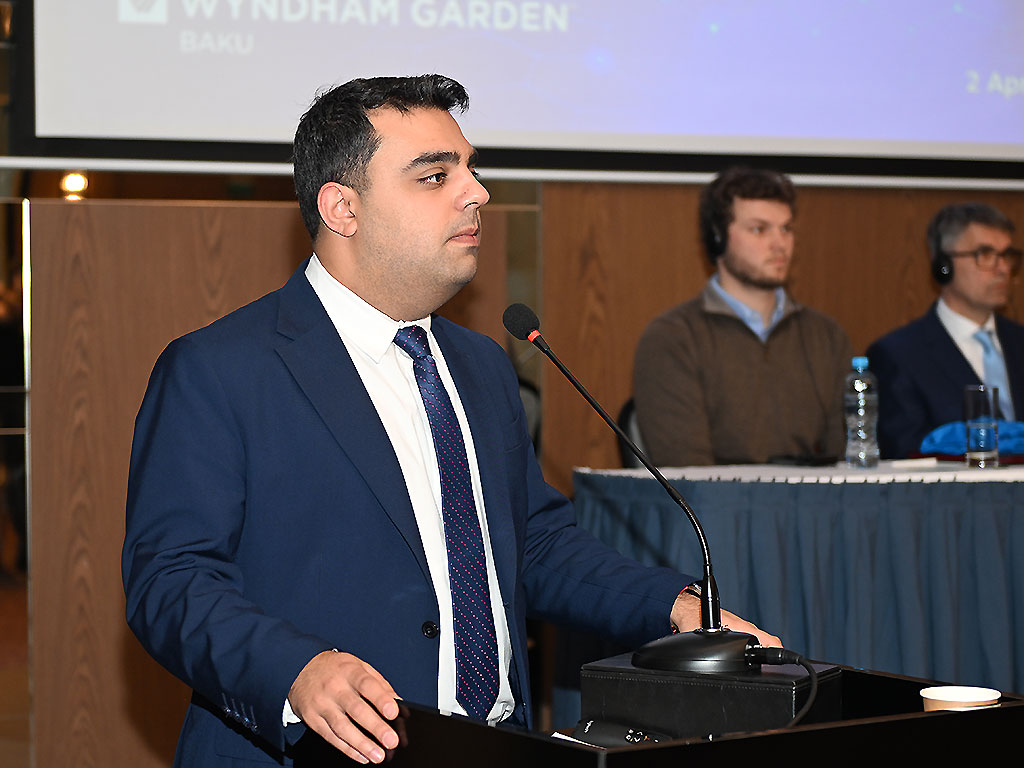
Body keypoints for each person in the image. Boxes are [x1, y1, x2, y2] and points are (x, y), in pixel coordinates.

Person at [122, 75, 778, 767]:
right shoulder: (221, 369)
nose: (477, 193)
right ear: (342, 208)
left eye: (470, 168)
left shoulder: (481, 363)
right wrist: (295, 670)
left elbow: (531, 546)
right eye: (435, 176)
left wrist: (672, 604)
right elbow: (170, 580)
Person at [633, 167, 852, 467]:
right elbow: (688, 474)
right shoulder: (672, 338)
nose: (780, 244)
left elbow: (845, 464)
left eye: (786, 229)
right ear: (718, 237)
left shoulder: (826, 336)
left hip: (812, 497)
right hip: (717, 498)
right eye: (760, 229)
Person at [867, 202, 1024, 459]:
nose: (1003, 269)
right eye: (985, 254)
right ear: (943, 267)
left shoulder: (1019, 342)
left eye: (1007, 255)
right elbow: (903, 451)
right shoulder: (897, 355)